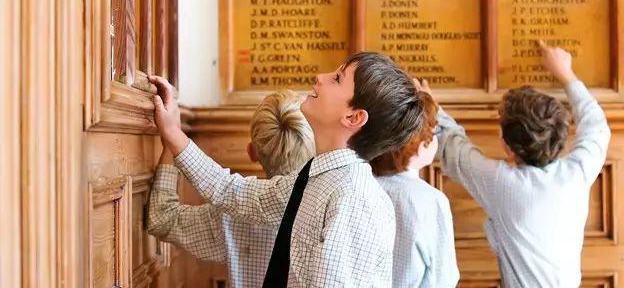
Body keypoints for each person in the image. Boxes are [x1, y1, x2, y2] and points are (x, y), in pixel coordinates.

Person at [148, 52, 427, 287]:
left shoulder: (353, 197)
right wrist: (173, 132)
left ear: (353, 117)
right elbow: (235, 193)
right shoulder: (312, 178)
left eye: (337, 78)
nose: (320, 76)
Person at [423, 42, 611, 287]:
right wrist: (566, 74)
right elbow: (596, 126)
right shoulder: (576, 174)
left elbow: (455, 148)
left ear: (508, 148)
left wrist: (431, 107)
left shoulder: (503, 182)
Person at [146, 90, 315, 288]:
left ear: (252, 152)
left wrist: (169, 142)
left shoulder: (229, 216)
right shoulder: (331, 208)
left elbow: (161, 219)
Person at [371, 89, 459, 288]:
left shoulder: (360, 186)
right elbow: (443, 278)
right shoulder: (431, 200)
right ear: (422, 146)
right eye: (434, 132)